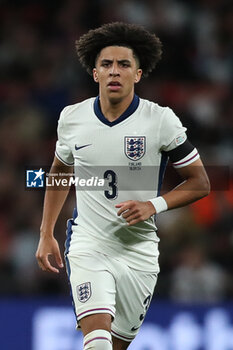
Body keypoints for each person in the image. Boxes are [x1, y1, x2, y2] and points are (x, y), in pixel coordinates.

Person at [36, 22, 210, 350]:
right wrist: (46, 233)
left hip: (138, 251)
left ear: (138, 74)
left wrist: (153, 205)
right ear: (95, 74)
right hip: (89, 244)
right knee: (97, 341)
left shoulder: (161, 121)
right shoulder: (73, 118)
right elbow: (59, 172)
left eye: (124, 64)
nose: (115, 71)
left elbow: (201, 182)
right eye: (106, 64)